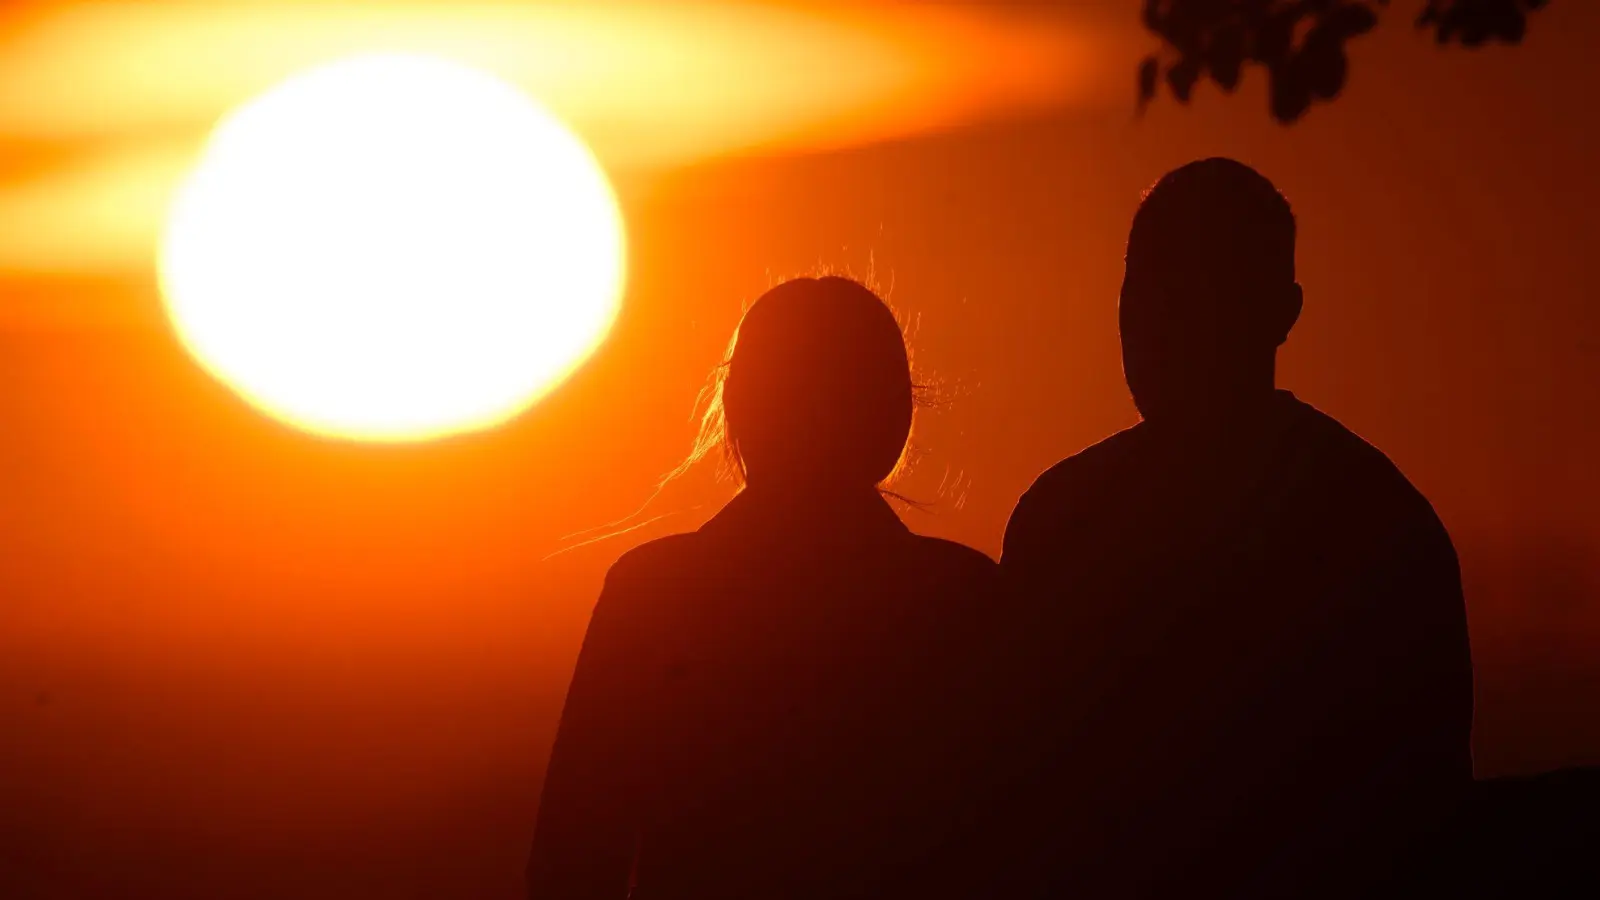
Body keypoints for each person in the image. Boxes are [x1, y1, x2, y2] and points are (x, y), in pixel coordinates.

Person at [1000, 158, 1474, 899]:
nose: (1158, 322)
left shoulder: (1064, 520)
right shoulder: (1382, 518)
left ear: (1281, 313)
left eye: (1193, 294)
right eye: (1146, 291)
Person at [527, 276, 1002, 900]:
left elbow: (574, 853)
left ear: (737, 407)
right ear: (897, 415)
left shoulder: (652, 592)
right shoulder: (963, 597)